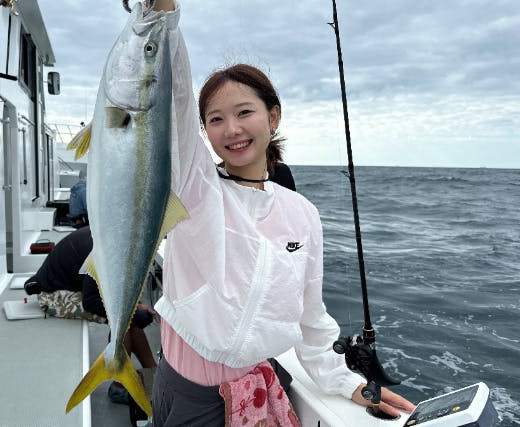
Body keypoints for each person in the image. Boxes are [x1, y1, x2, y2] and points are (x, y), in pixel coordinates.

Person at [143, 2, 416, 426]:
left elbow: (310, 317)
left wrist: (349, 384)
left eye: (244, 112)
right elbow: (173, 98)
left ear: (273, 117)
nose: (231, 129)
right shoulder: (196, 189)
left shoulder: (302, 213)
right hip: (188, 395)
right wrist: (163, 17)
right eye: (215, 119)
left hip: (257, 387)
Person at [23, 226, 157, 404]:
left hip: (74, 289)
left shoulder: (111, 235)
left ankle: (153, 375)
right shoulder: (104, 251)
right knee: (124, 319)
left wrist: (135, 306)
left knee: (129, 315)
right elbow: (92, 302)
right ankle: (119, 386)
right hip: (54, 296)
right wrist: (133, 310)